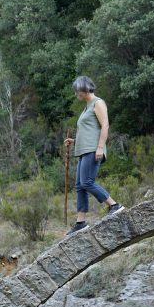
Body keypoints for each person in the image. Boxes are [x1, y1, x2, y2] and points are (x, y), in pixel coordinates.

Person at [63, 76, 124, 234]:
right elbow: (90, 131)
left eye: (77, 90)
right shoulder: (87, 106)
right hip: (84, 150)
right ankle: (81, 222)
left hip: (93, 149)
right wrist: (74, 141)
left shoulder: (98, 103)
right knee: (79, 185)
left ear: (84, 89)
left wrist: (100, 147)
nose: (76, 93)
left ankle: (114, 205)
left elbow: (105, 125)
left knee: (87, 182)